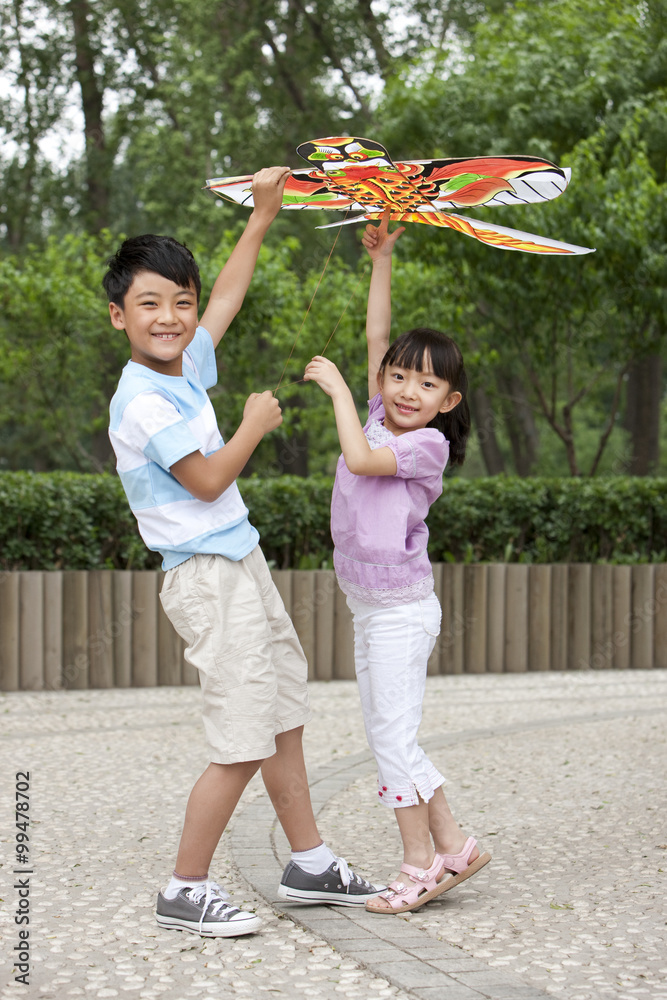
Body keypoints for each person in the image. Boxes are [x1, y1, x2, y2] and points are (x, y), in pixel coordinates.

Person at [104, 166, 384, 939]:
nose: (172, 317)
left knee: (282, 711)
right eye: (149, 304)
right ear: (117, 316)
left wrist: (261, 217)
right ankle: (183, 888)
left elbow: (226, 297)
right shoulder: (143, 400)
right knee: (240, 734)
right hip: (204, 577)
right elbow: (204, 481)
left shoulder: (185, 362)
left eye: (179, 302)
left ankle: (310, 862)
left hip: (241, 562)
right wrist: (254, 425)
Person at [303, 211, 491, 914]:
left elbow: (357, 457)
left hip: (401, 611)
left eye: (427, 385)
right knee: (393, 732)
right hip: (368, 604)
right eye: (400, 378)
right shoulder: (386, 410)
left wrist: (340, 394)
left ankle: (418, 862)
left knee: (388, 737)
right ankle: (455, 848)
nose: (409, 391)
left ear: (449, 402)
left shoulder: (422, 447)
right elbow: (376, 337)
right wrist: (381, 258)